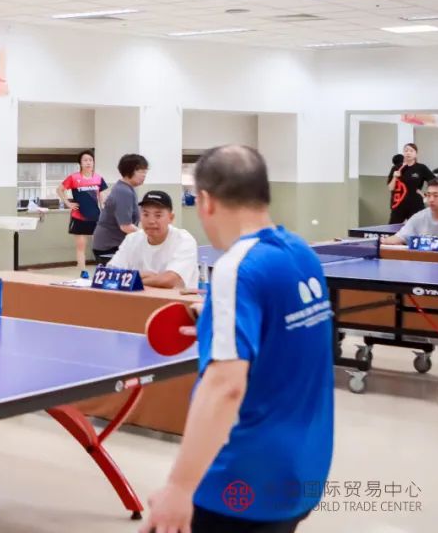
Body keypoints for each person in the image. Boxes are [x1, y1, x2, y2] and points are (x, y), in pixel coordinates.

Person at [142, 145, 333, 533]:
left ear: (206, 201)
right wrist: (216, 317)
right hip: (303, 469)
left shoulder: (236, 267)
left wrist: (180, 488)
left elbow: (225, 386)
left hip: (239, 480)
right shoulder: (302, 254)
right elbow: (283, 337)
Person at [108, 190, 198, 289]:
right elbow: (110, 274)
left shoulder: (184, 240)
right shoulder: (132, 239)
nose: (151, 221)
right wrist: (155, 278)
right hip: (138, 297)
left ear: (171, 218)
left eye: (158, 215)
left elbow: (169, 280)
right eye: (146, 214)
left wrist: (131, 279)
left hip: (175, 298)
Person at [91, 154, 148, 262]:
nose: (144, 175)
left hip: (113, 244)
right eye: (141, 171)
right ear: (129, 171)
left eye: (145, 172)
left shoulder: (126, 188)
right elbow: (126, 226)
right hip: (109, 247)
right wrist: (147, 235)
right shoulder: (123, 191)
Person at [57, 149, 108, 267]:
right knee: (81, 247)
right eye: (85, 160)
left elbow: (102, 197)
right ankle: (83, 272)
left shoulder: (98, 178)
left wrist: (105, 211)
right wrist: (68, 203)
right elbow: (59, 190)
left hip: (96, 217)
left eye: (90, 160)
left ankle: (101, 270)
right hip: (79, 217)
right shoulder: (73, 178)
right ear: (80, 163)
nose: (88, 162)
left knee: (99, 246)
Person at [382, 178, 438, 244]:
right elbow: (399, 237)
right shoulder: (419, 218)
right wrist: (384, 241)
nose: (431, 199)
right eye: (428, 195)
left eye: (436, 195)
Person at [388, 143, 432, 224]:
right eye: (406, 151)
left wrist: (425, 194)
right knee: (393, 229)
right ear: (403, 153)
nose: (408, 153)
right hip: (398, 205)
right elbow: (390, 188)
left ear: (416, 154)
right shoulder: (396, 168)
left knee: (419, 228)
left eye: (411, 151)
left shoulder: (421, 168)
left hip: (416, 205)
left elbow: (433, 182)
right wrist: (394, 177)